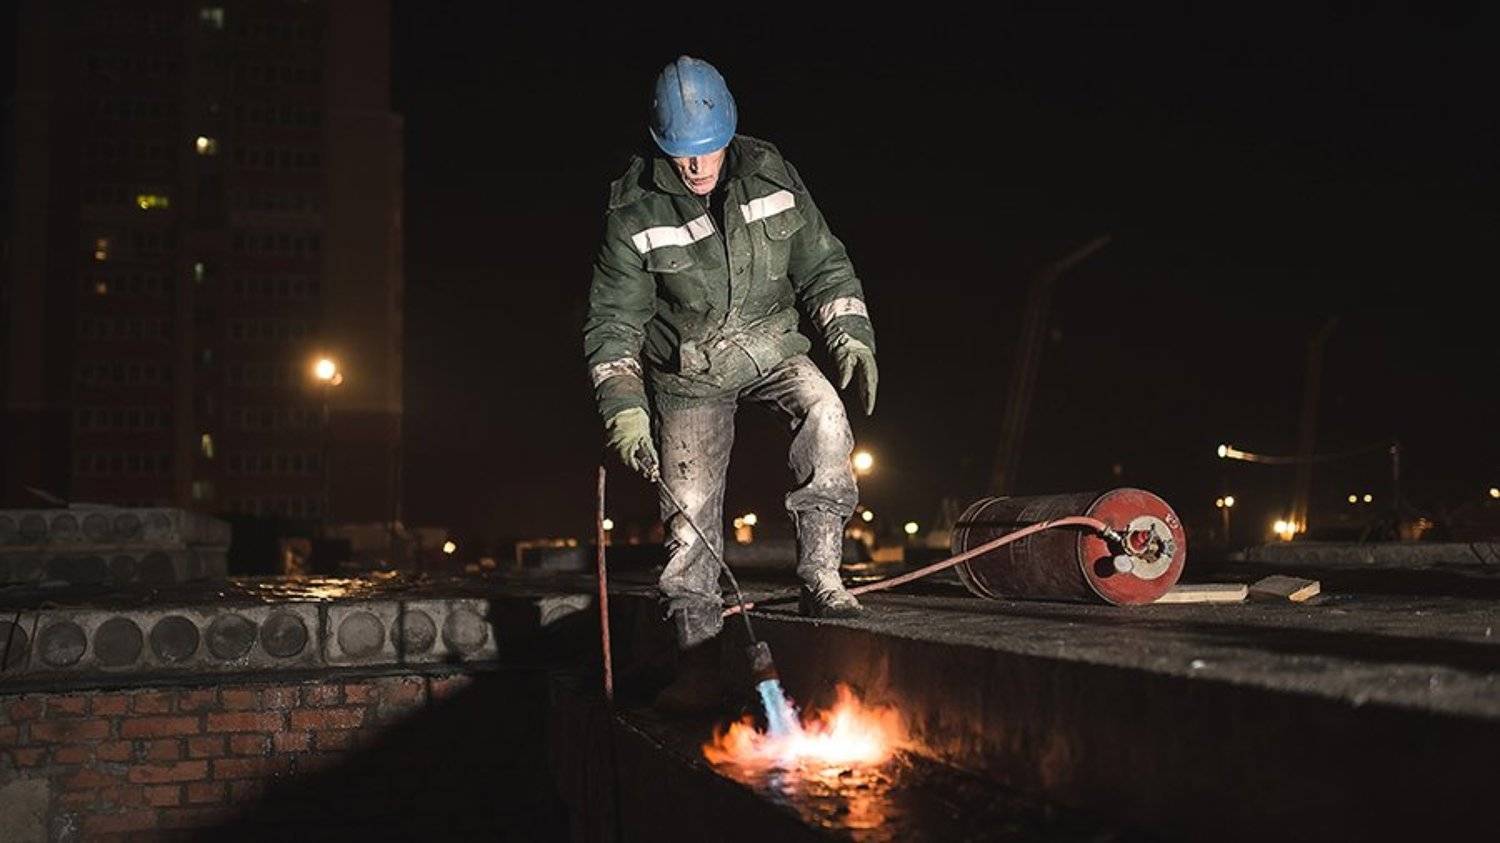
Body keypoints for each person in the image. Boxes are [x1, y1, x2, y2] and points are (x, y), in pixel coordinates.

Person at [583, 56, 878, 651]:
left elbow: (823, 265)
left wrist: (850, 332)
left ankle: (822, 577)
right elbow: (615, 320)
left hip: (771, 343)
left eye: (707, 150)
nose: (695, 166)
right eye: (681, 153)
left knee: (826, 415)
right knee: (689, 515)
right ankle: (695, 641)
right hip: (690, 373)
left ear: (729, 134)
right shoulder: (634, 209)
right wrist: (626, 408)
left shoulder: (771, 174)